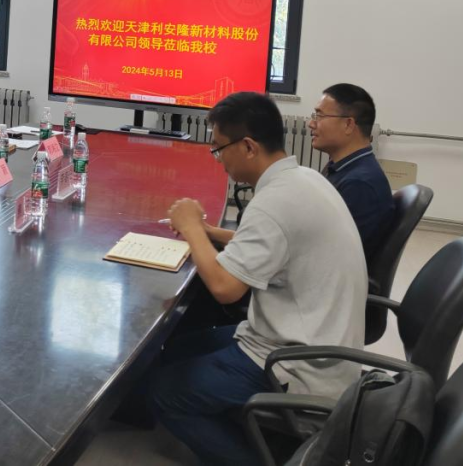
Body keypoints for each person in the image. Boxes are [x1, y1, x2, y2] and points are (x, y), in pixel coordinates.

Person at [149, 92, 366, 466]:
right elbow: (274, 241)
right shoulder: (302, 179)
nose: (218, 159)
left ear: (248, 147)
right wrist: (210, 232)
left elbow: (226, 289)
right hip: (309, 339)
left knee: (163, 392)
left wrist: (192, 228)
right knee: (176, 349)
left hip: (297, 364)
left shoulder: (273, 203)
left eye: (219, 149)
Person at [309, 83, 395, 260]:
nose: (311, 123)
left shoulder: (359, 185)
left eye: (319, 116)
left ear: (348, 124)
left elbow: (330, 255)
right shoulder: (344, 167)